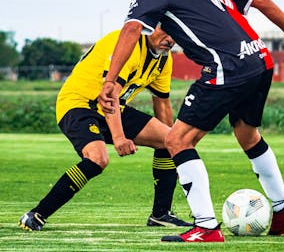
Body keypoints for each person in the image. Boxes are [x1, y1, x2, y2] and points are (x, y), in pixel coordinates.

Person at [98, 0, 284, 243]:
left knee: (177, 140)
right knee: (247, 134)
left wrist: (110, 80)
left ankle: (205, 227)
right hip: (259, 58)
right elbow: (261, 0)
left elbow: (133, 29)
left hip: (226, 65)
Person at [18, 25, 192, 231]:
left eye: (176, 35)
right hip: (79, 104)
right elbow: (108, 95)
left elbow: (162, 104)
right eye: (165, 31)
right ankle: (36, 214)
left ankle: (160, 215)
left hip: (114, 107)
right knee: (97, 159)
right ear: (150, 26)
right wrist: (119, 138)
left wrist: (176, 151)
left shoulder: (164, 59)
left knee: (169, 138)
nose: (170, 39)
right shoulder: (129, 45)